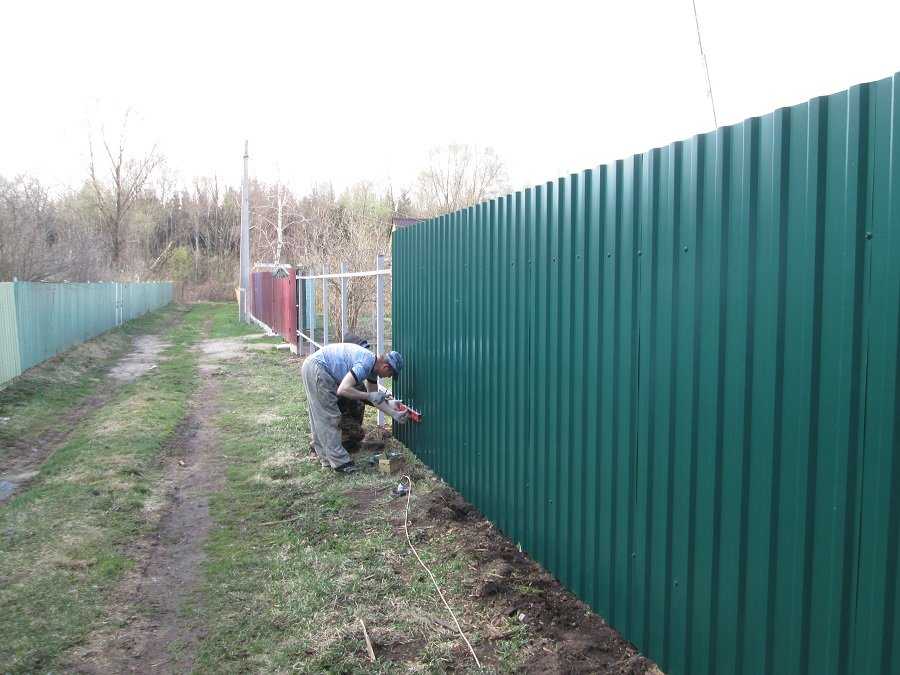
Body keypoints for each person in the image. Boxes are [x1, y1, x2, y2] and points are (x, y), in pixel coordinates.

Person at [301, 343, 404, 474]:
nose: (389, 377)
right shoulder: (366, 364)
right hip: (318, 368)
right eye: (391, 374)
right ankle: (341, 463)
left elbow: (376, 400)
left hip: (315, 366)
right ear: (386, 366)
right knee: (329, 417)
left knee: (320, 415)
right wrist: (369, 395)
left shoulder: (373, 369)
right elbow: (343, 390)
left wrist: (393, 411)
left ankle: (326, 459)